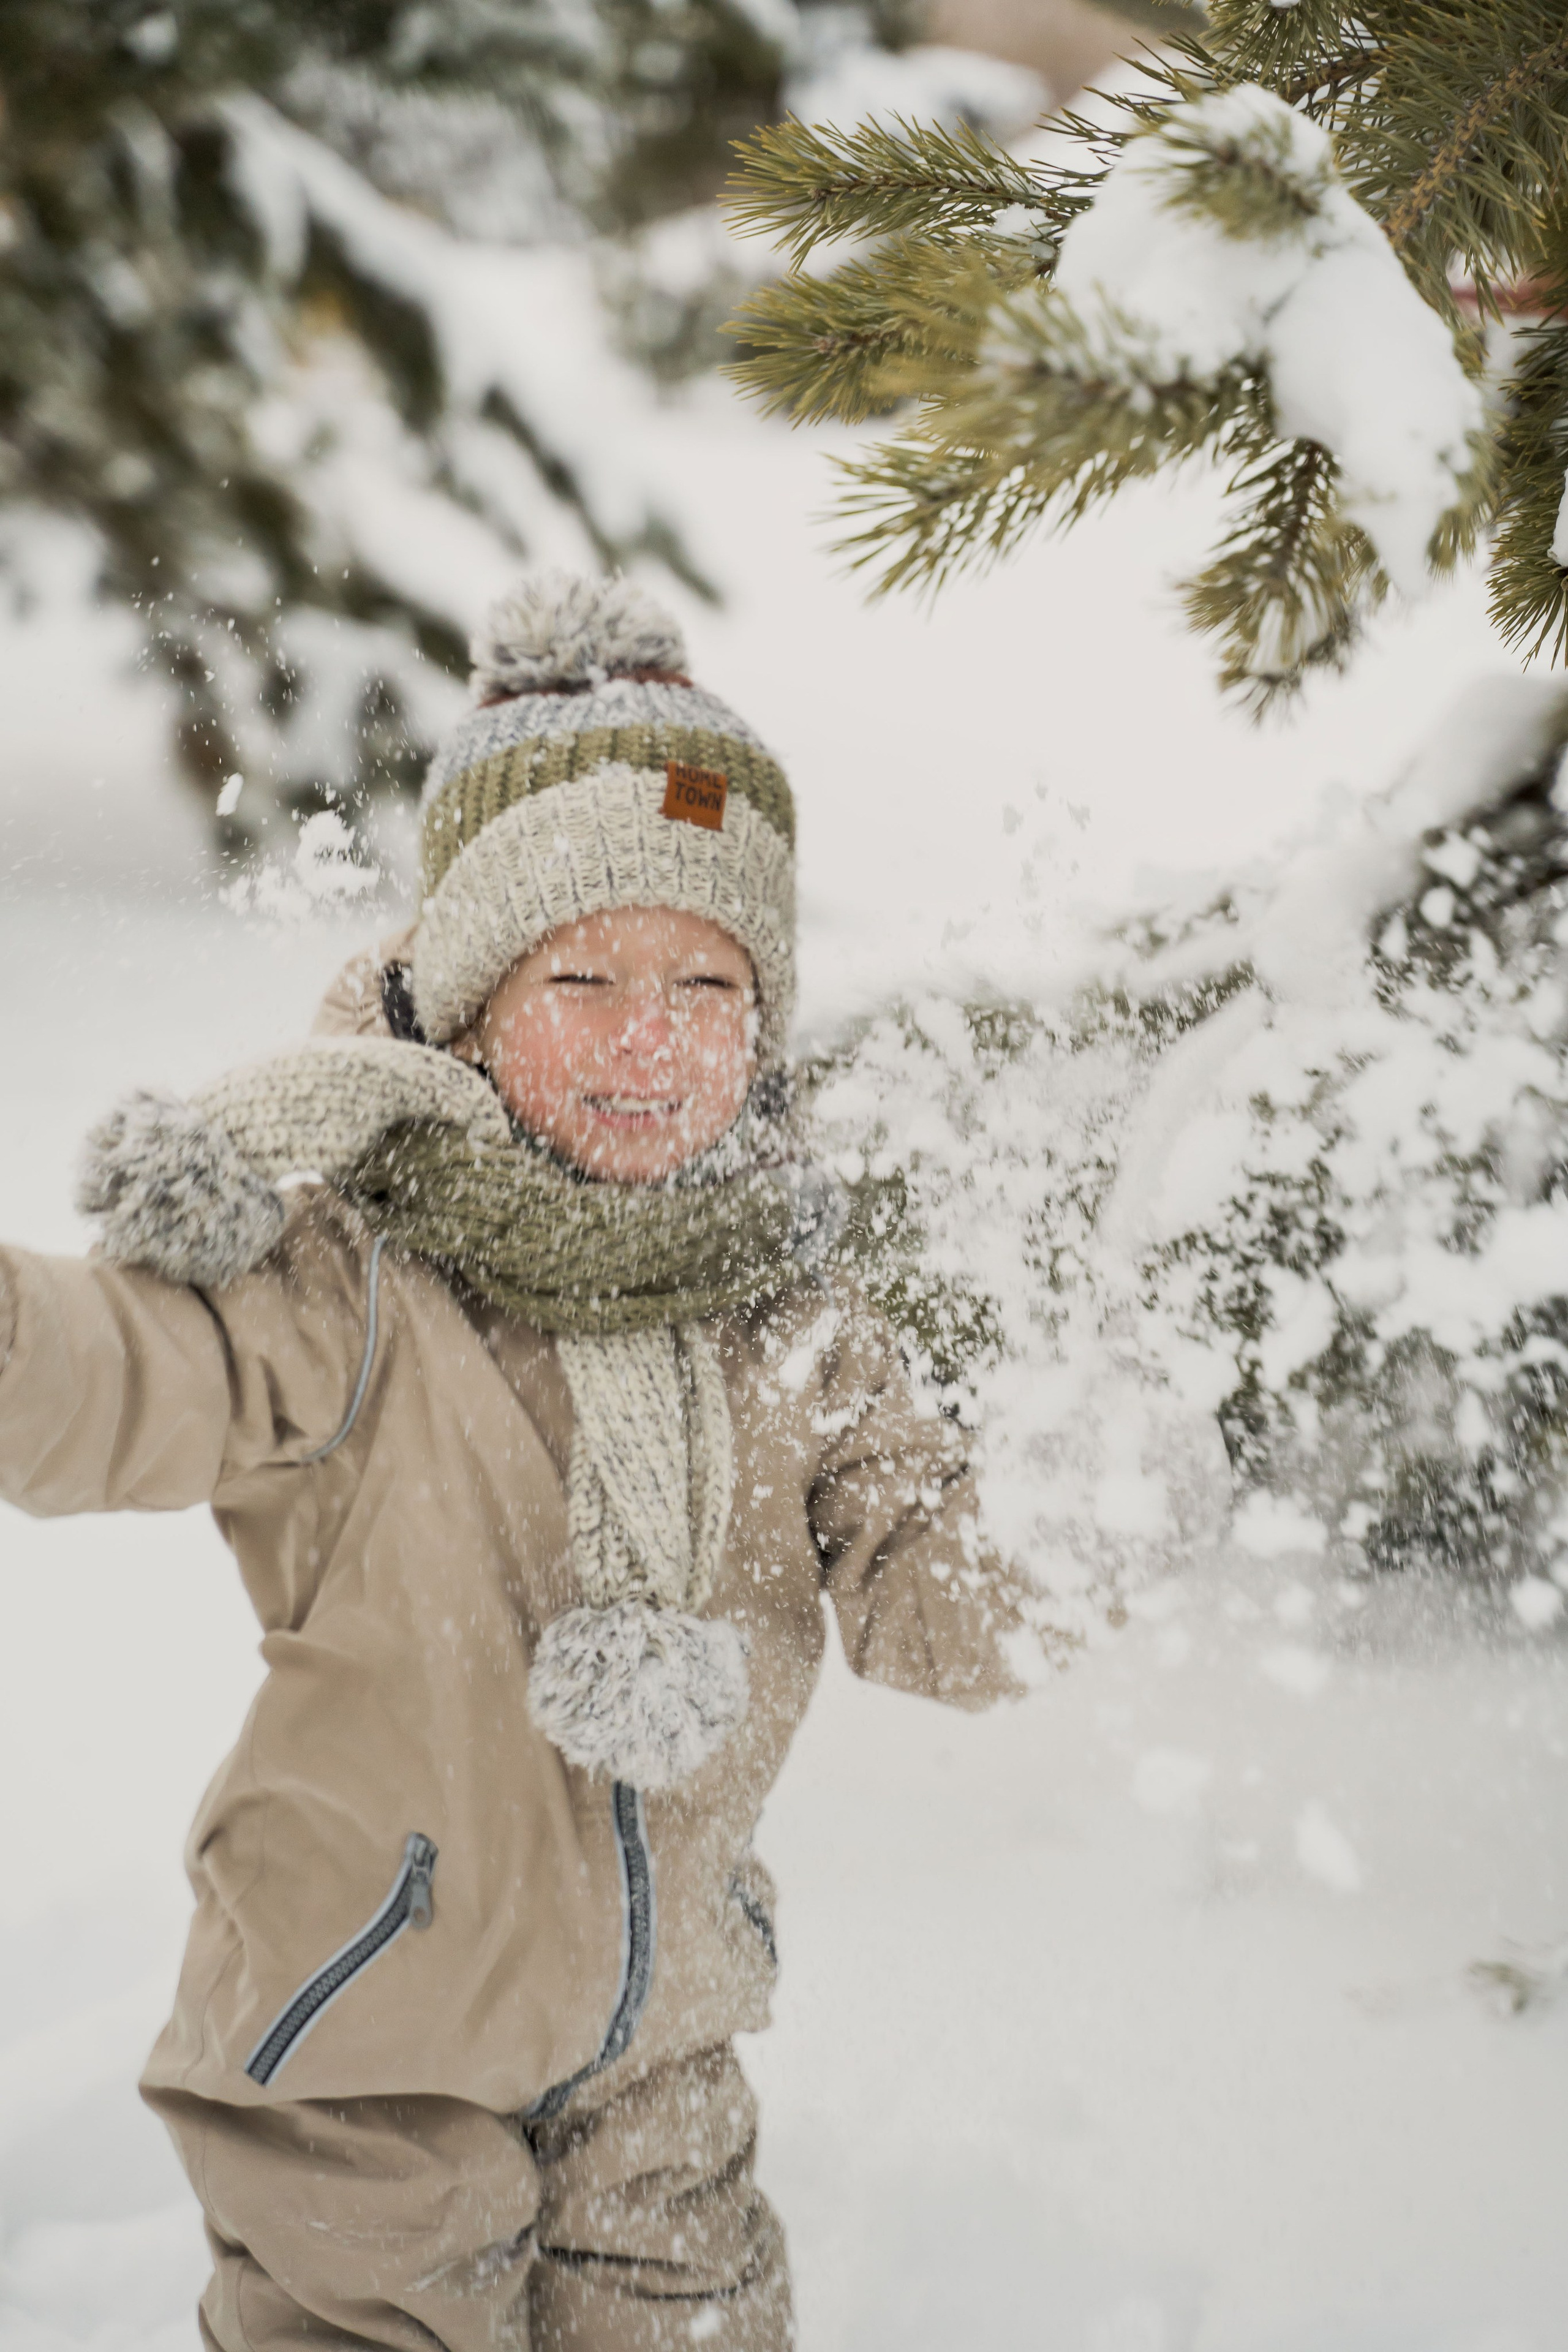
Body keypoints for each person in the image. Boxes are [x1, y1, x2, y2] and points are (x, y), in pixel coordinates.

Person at [0, 573, 1045, 2351]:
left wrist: (1080, 1537)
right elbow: (134, 1368)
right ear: (474, 1004)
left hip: (663, 2044)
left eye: (709, 983)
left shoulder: (790, 1319)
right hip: (360, 2038)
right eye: (585, 977)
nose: (654, 1035)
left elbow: (947, 1609)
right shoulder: (350, 1277)